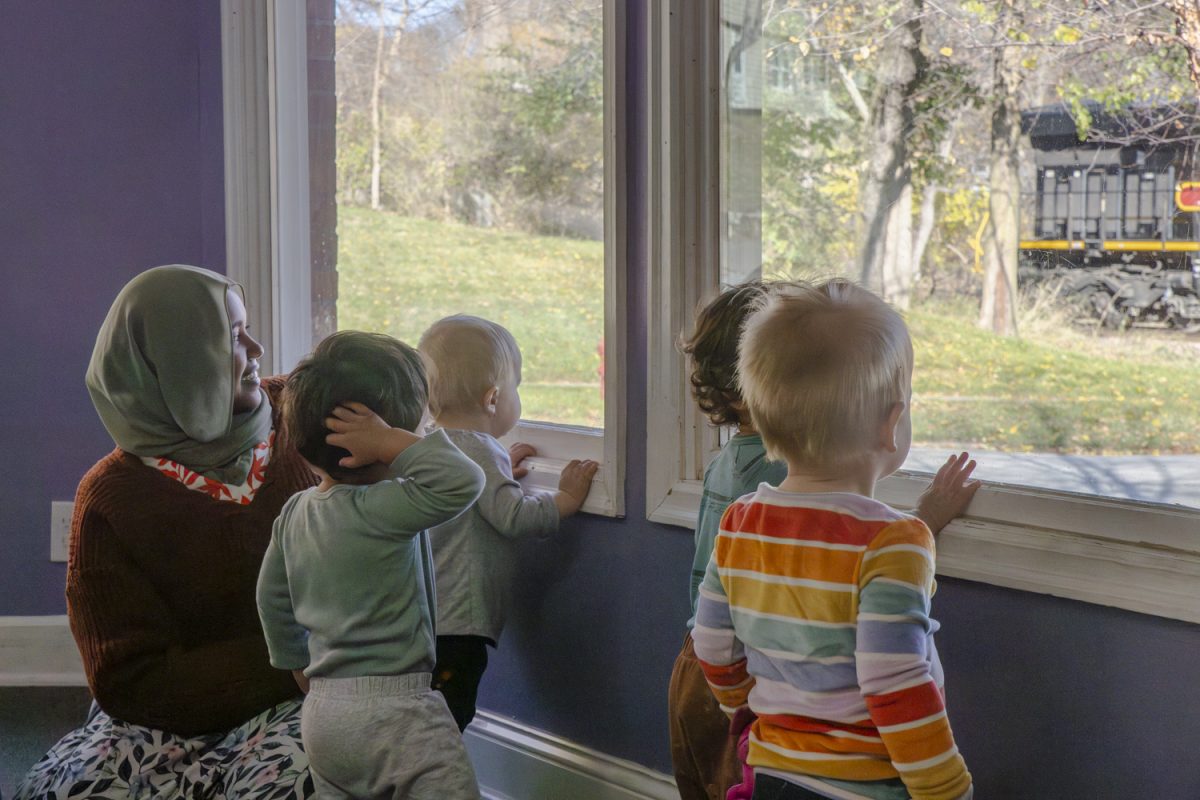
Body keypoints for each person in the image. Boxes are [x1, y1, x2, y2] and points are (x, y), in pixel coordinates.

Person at [16, 265, 319, 800]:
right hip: (170, 718)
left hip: (312, 697)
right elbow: (131, 679)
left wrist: (480, 455)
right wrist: (292, 662)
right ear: (175, 360)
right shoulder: (111, 499)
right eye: (232, 335)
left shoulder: (303, 412)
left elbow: (408, 422)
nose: (258, 346)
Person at [670, 281, 980, 800]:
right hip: (865, 786)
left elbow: (713, 645)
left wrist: (746, 709)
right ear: (892, 425)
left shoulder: (741, 522)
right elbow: (895, 683)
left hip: (771, 771)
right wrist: (945, 787)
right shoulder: (895, 542)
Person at [256, 330, 486, 799]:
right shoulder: (385, 508)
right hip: (400, 711)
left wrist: (296, 662)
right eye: (417, 431)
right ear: (376, 445)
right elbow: (464, 481)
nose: (418, 440)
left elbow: (271, 598)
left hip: (323, 714)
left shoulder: (295, 513)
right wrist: (391, 441)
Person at [417, 315, 599, 731]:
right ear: (493, 399)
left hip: (424, 614)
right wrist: (565, 498)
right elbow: (513, 517)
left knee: (424, 716)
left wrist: (500, 478)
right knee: (449, 717)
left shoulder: (428, 444)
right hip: (459, 622)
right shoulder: (482, 451)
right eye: (517, 386)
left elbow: (468, 496)